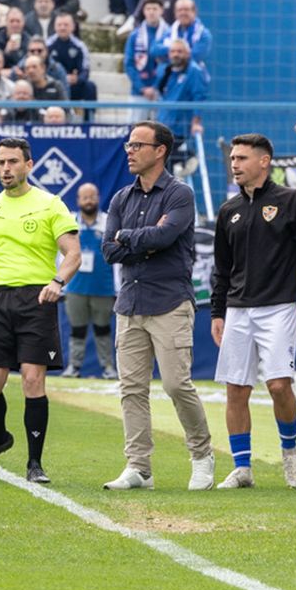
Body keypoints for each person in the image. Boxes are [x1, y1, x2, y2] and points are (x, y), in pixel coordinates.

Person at [0, 137, 82, 484]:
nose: (5, 169)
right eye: (0, 163)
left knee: (32, 380)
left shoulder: (51, 205)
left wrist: (57, 282)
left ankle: (34, 464)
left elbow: (73, 254)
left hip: (37, 301)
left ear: (29, 165)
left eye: (12, 162)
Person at [100, 121, 215, 490]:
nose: (129, 150)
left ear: (160, 150)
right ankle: (139, 468)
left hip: (169, 302)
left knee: (176, 384)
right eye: (128, 145)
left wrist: (130, 238)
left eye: (137, 144)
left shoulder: (180, 194)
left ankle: (202, 455)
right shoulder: (121, 198)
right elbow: (108, 250)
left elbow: (166, 236)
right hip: (130, 303)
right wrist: (143, 240)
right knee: (131, 389)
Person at [209, 134, 296, 490]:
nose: (235, 165)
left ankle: (289, 454)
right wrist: (218, 312)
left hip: (279, 306)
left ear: (264, 162)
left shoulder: (291, 201)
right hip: (238, 310)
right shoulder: (228, 210)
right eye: (232, 159)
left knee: (277, 384)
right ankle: (242, 467)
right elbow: (221, 267)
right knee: (236, 390)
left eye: (242, 159)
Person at [59, 182, 116, 379]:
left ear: (99, 198)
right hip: (75, 287)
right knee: (77, 330)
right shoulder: (69, 223)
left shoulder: (109, 222)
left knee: (103, 330)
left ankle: (108, 368)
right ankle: (73, 367)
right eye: (85, 197)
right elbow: (61, 256)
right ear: (78, 200)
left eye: (92, 196)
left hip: (104, 288)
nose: (89, 201)